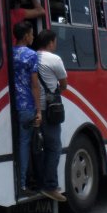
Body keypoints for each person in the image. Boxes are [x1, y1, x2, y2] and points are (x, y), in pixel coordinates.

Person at [35, 29, 68, 202]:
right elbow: (64, 84)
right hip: (48, 111)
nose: (55, 44)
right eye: (55, 41)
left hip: (33, 108)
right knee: (54, 147)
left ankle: (36, 182)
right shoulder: (54, 59)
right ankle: (50, 186)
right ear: (50, 43)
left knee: (37, 148)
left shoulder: (31, 57)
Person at [12, 20, 42, 194]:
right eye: (31, 34)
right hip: (26, 106)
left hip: (10, 105)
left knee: (17, 143)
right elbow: (35, 85)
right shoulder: (31, 55)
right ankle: (23, 183)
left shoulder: (9, 52)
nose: (33, 36)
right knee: (26, 143)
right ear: (25, 36)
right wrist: (39, 110)